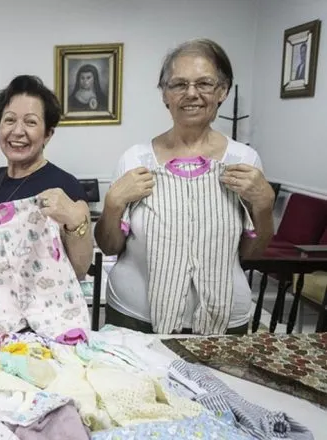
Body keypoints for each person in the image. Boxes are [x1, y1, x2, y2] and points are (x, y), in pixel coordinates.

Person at [94, 38, 275, 335]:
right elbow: (109, 245)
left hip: (222, 320)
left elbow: (252, 253)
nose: (192, 94)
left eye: (204, 83)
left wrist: (265, 206)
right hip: (136, 316)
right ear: (165, 95)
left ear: (223, 91)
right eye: (179, 84)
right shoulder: (135, 160)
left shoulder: (243, 161)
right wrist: (113, 204)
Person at [0, 74, 93, 281]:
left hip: (38, 310)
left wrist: (74, 220)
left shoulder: (65, 185)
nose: (17, 131)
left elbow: (80, 269)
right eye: (9, 120)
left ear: (48, 134)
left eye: (30, 122)